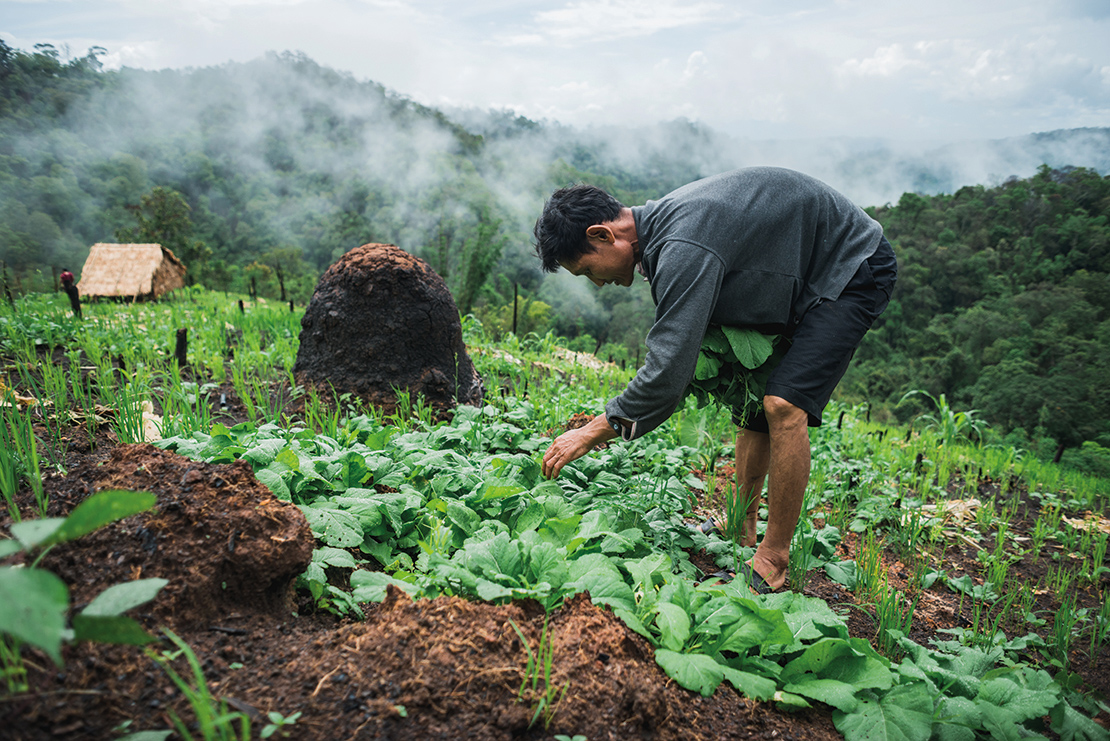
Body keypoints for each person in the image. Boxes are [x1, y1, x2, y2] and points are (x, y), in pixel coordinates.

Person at [533, 167, 896, 593]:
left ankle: (773, 562)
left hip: (850, 267)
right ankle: (741, 522)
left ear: (602, 235)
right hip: (795, 272)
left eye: (587, 270)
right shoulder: (662, 232)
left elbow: (670, 368)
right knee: (753, 401)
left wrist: (595, 431)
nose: (597, 282)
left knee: (783, 404)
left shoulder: (682, 244)